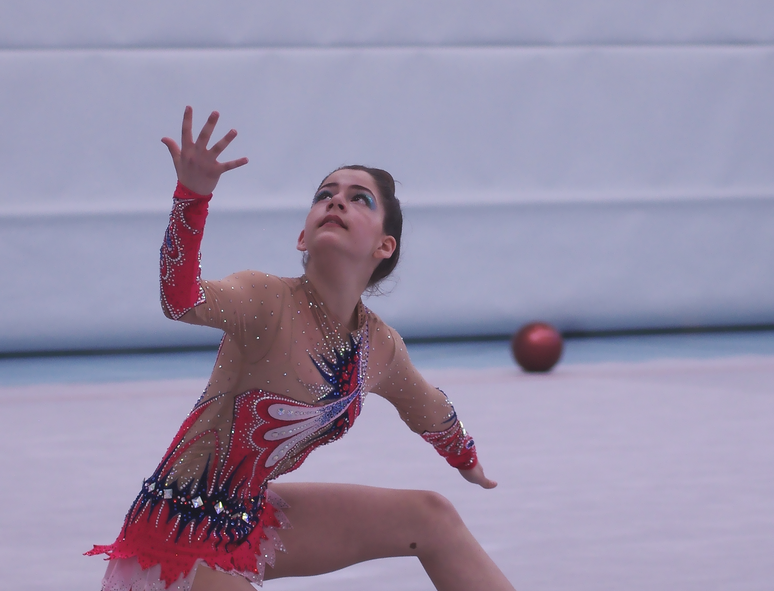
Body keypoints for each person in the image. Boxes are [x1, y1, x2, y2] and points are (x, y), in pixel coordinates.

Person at [87, 107, 516, 591]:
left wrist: (466, 460)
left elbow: (430, 409)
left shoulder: (378, 345)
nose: (337, 202)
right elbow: (179, 299)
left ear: (385, 246)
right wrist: (193, 198)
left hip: (249, 519)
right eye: (324, 195)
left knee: (432, 517)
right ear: (302, 236)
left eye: (359, 199)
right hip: (174, 534)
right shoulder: (265, 300)